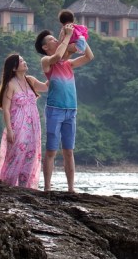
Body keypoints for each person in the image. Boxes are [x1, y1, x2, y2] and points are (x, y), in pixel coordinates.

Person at [35, 23, 94, 192]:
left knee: (69, 150)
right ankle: (47, 188)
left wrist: (79, 35)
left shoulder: (68, 63)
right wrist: (67, 37)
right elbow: (57, 56)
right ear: (45, 47)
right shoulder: (46, 61)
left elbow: (89, 56)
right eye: (52, 39)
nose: (56, 40)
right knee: (52, 150)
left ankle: (70, 188)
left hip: (71, 110)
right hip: (55, 109)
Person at [0, 53, 49, 189]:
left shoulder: (30, 81)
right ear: (14, 68)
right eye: (21, 61)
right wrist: (9, 130)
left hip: (33, 126)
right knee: (16, 156)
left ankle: (26, 189)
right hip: (17, 126)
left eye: (24, 60)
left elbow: (46, 87)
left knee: (30, 157)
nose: (24, 62)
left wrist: (54, 66)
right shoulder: (10, 84)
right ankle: (8, 187)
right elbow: (6, 109)